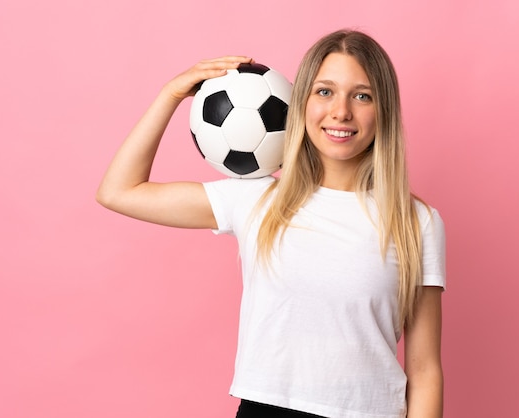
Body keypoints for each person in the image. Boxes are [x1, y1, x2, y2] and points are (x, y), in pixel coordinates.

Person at [97, 29, 446, 418]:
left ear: (384, 111)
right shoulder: (257, 199)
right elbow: (119, 190)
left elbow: (425, 369)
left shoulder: (416, 221)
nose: (341, 112)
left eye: (362, 95)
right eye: (324, 91)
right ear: (300, 104)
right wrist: (170, 95)